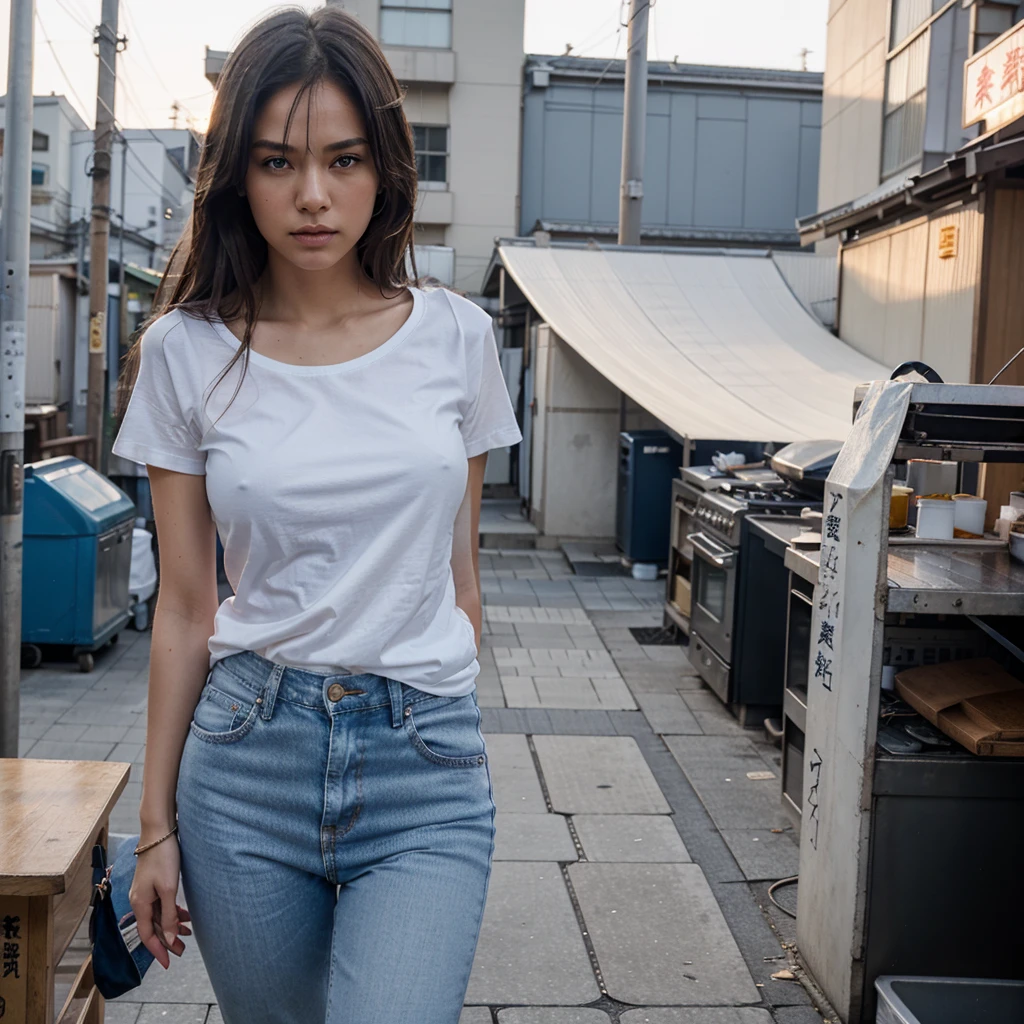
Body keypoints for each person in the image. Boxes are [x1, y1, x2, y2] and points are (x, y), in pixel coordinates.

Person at [110, 7, 522, 1023]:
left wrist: (437, 698)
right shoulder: (184, 353)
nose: (311, 196)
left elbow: (460, 573)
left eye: (342, 159)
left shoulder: (457, 340)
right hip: (247, 760)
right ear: (234, 176)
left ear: (383, 167)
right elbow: (184, 604)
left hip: (422, 762)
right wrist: (154, 825)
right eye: (275, 162)